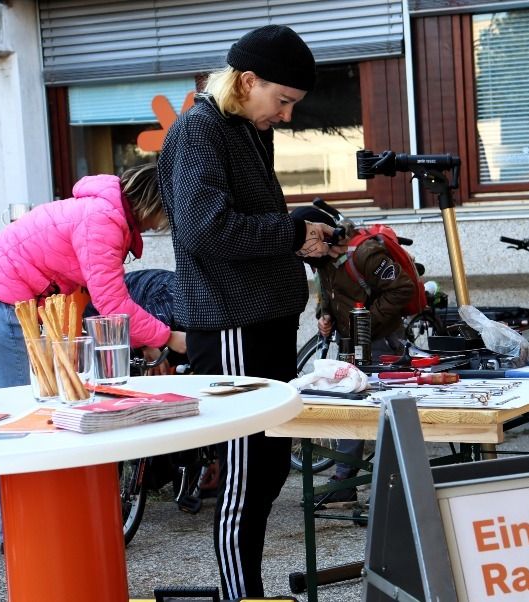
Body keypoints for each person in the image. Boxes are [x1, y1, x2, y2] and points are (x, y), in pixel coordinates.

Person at [157, 24, 335, 599]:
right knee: (244, 477)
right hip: (230, 324)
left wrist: (299, 227)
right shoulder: (199, 131)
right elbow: (206, 230)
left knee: (270, 468)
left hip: (266, 319)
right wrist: (291, 233)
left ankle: (249, 592)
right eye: (282, 100)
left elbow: (249, 219)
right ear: (247, 81)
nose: (286, 115)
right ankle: (243, 597)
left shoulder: (246, 127)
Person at [0, 163, 187, 390]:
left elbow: (107, 297)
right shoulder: (102, 222)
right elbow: (112, 303)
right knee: (18, 402)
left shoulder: (100, 212)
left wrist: (145, 341)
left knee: (23, 399)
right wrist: (167, 337)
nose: (160, 225)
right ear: (153, 204)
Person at [292, 202, 417, 506]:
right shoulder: (321, 259)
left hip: (382, 341)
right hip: (351, 344)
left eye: (305, 245)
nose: (304, 254)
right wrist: (324, 315)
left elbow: (403, 288)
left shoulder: (365, 254)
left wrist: (365, 321)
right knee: (351, 406)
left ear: (322, 232)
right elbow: (328, 292)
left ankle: (391, 485)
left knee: (386, 412)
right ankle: (344, 481)